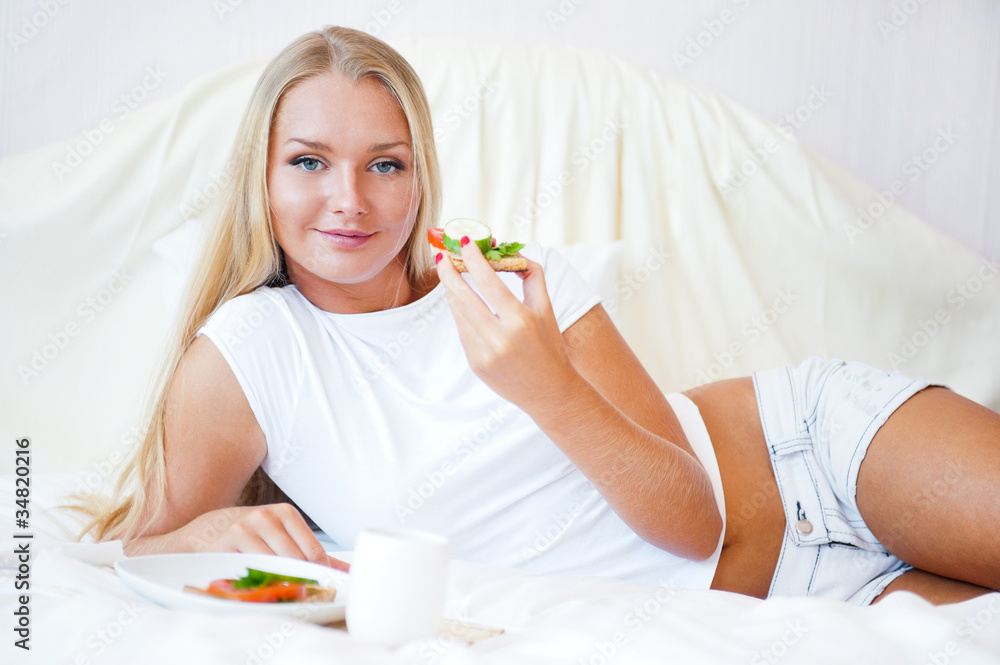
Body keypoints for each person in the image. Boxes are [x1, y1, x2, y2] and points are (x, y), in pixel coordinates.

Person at [77, 26, 1000, 607]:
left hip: (812, 443)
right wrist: (198, 535)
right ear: (263, 176)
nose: (349, 200)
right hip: (798, 595)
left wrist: (543, 382)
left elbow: (691, 513)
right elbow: (142, 544)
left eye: (385, 164)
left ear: (419, 177)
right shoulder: (249, 352)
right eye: (310, 162)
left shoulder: (513, 281)